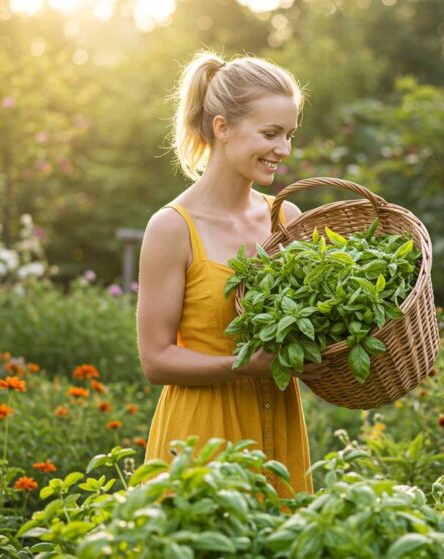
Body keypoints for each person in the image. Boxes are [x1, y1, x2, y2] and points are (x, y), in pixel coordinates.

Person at [136, 51, 321, 497]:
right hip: (202, 437)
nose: (284, 149)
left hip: (279, 427)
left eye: (290, 135)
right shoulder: (172, 228)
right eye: (271, 133)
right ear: (222, 127)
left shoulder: (286, 218)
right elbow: (156, 359)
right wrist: (245, 366)